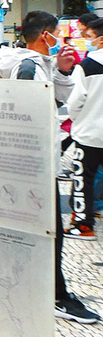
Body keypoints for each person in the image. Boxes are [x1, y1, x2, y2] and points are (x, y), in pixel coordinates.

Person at [0, 10, 99, 324]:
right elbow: (22, 116)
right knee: (49, 231)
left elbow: (58, 99)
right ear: (46, 35)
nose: (60, 39)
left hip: (35, 163)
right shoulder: (28, 67)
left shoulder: (40, 65)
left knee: (13, 224)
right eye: (57, 32)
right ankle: (57, 295)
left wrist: (65, 71)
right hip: (33, 165)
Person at [65, 16, 103, 241]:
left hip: (90, 133)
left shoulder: (87, 65)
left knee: (83, 179)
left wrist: (75, 119)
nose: (87, 41)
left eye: (89, 37)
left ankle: (83, 225)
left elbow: (75, 101)